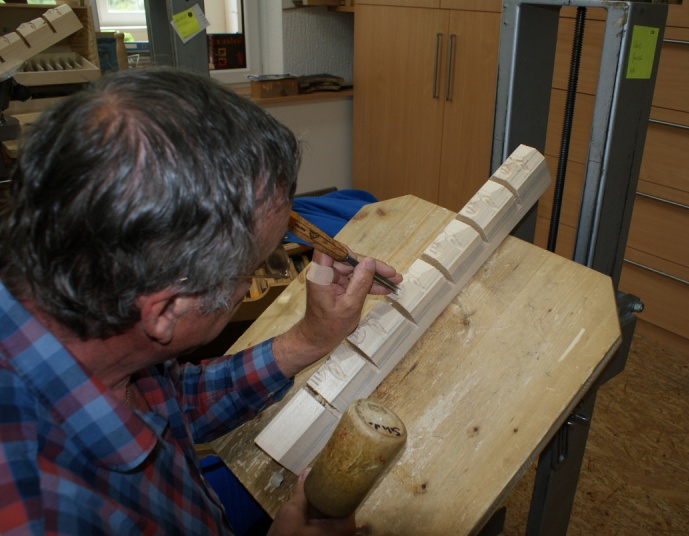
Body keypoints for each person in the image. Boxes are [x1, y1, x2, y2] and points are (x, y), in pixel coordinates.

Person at [0, 67, 401, 535]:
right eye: (254, 268)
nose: (250, 282)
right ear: (167, 310)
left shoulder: (93, 334)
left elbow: (167, 402)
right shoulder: (43, 512)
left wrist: (309, 339)